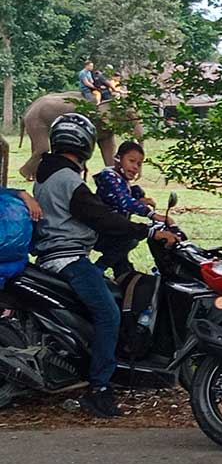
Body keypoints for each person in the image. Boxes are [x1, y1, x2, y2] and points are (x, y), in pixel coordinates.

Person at [33, 113, 178, 418]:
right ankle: (99, 388)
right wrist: (147, 230)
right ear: (85, 143)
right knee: (109, 313)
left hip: (53, 255)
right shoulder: (69, 179)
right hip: (69, 259)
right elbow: (101, 217)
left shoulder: (46, 174)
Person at [93, 141, 165, 278]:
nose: (135, 167)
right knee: (131, 238)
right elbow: (123, 200)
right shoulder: (109, 177)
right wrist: (152, 214)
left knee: (122, 263)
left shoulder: (121, 180)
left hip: (115, 229)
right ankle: (97, 269)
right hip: (103, 231)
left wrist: (140, 196)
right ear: (118, 159)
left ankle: (125, 278)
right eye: (131, 161)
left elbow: (127, 193)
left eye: (139, 164)